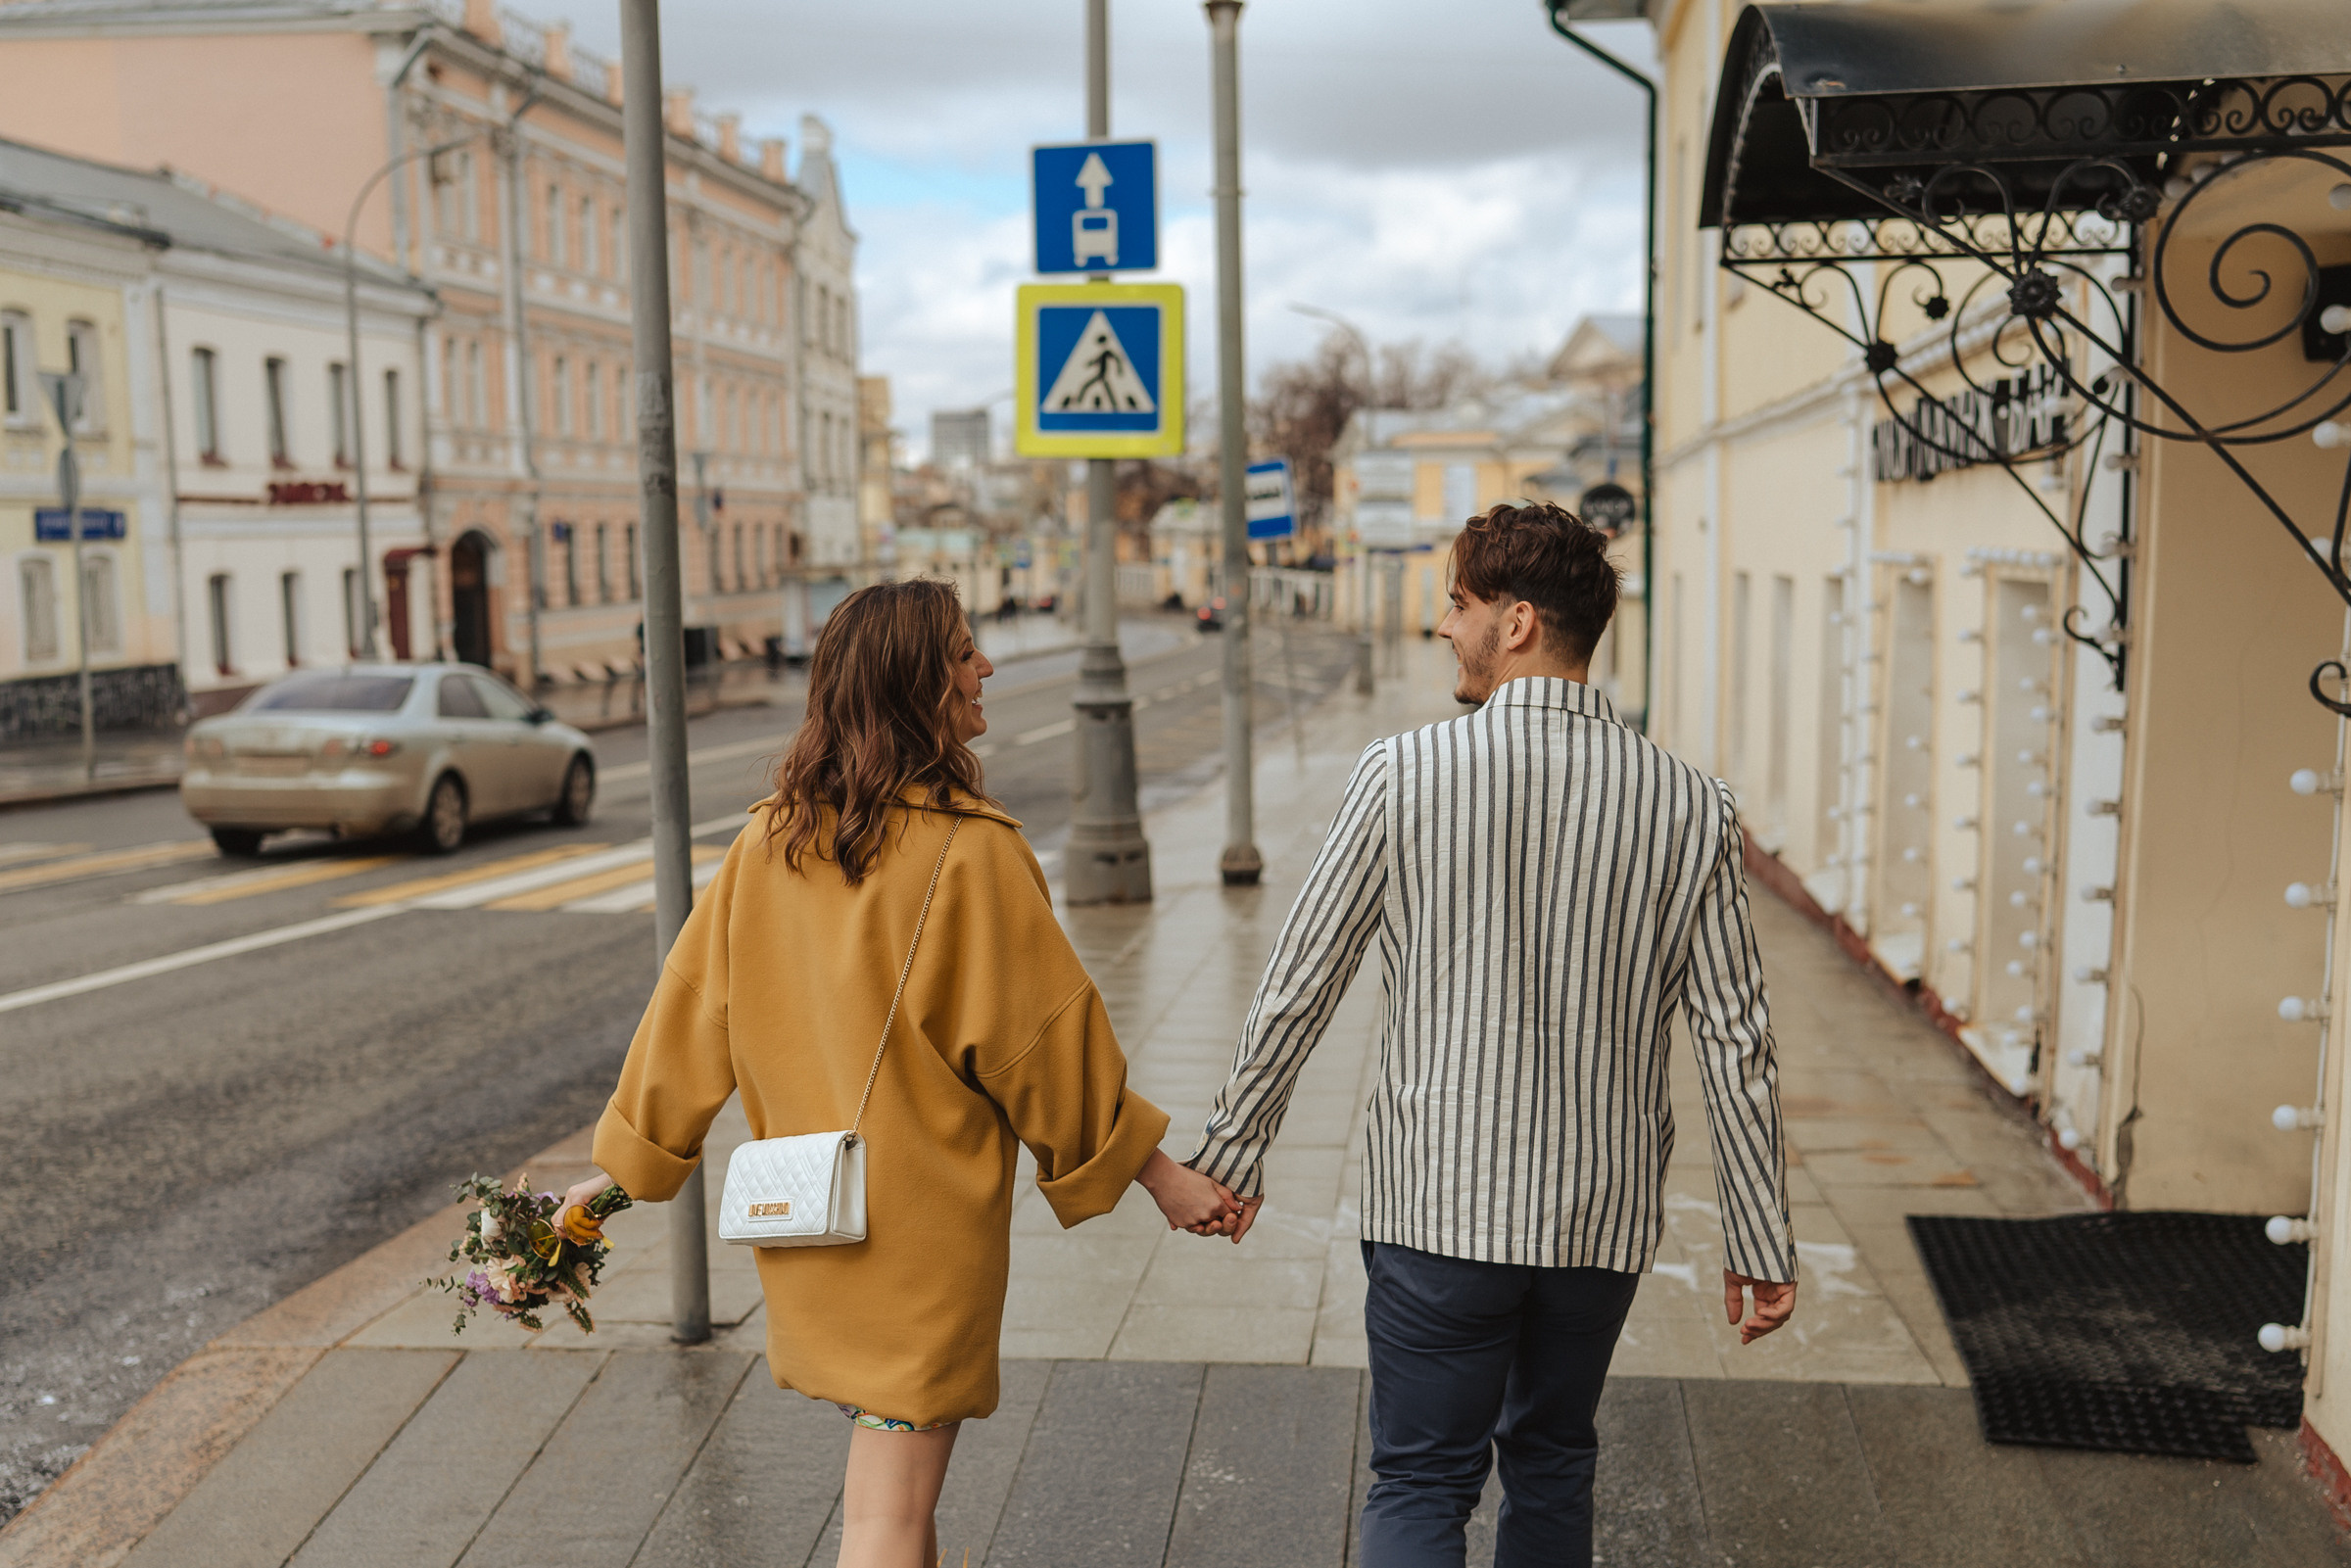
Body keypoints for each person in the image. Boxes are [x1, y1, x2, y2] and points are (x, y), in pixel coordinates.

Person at [559, 579, 1240, 1568]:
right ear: (920, 682)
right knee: (887, 1508)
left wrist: (617, 1179)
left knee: (897, 1492)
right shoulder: (972, 852)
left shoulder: (766, 842)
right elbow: (1047, 1050)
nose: (986, 667)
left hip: (808, 1214)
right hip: (920, 1229)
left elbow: (686, 1022)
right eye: (966, 652)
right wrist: (1161, 1175)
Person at [1184, 501, 1798, 1568]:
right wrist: (1758, 1233)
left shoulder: (1403, 773)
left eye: (1458, 605)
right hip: (1594, 1216)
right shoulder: (1694, 804)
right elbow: (1737, 1037)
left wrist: (1235, 1149)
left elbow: (1301, 980)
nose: (1444, 628)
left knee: (1422, 1477)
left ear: (1516, 622)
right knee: (1554, 1458)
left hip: (1437, 1203)